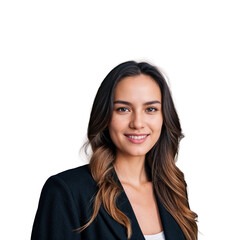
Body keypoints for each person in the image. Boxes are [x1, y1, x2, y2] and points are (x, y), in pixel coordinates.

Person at [31, 61, 198, 240]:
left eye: (150, 109)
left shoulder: (172, 188)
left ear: (164, 117)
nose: (138, 123)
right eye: (123, 109)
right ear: (105, 116)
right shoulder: (67, 191)